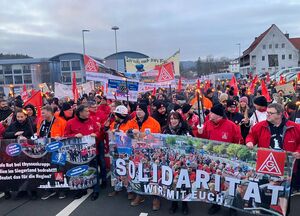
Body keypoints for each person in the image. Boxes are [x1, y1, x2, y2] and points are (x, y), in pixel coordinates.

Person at [196, 104, 243, 215]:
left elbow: (239, 141)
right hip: (214, 161)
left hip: (228, 162)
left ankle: (232, 207)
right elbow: (203, 141)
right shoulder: (207, 124)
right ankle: (215, 204)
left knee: (230, 185)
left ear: (218, 115)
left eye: (212, 112)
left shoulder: (231, 126)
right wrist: (200, 133)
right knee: (216, 183)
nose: (209, 114)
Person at [127, 102, 161, 208]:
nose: (138, 112)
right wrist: (131, 131)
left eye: (140, 110)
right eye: (137, 110)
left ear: (145, 111)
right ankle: (140, 195)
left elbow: (159, 137)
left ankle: (156, 198)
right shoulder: (132, 121)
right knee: (139, 175)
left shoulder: (153, 122)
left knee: (153, 176)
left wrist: (147, 137)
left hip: (151, 153)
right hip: (137, 154)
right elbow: (125, 132)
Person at [64, 105, 100, 200]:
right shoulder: (70, 122)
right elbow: (66, 135)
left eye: (88, 111)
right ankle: (81, 190)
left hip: (91, 152)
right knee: (80, 171)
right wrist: (74, 135)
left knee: (94, 169)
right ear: (80, 112)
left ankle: (96, 190)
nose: (89, 112)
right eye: (86, 111)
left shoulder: (91, 121)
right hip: (78, 153)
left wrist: (95, 134)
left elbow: (98, 131)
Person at [163, 111, 193, 215]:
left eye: (175, 118)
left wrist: (190, 140)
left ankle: (185, 204)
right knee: (173, 183)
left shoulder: (186, 130)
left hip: (183, 162)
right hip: (171, 161)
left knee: (184, 183)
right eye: (171, 119)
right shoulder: (166, 130)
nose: (173, 121)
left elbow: (194, 144)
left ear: (179, 119)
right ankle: (174, 203)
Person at [38, 105, 67, 200]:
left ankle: (60, 189)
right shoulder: (41, 122)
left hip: (59, 149)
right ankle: (51, 189)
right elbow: (39, 135)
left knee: (59, 169)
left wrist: (61, 137)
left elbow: (66, 135)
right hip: (46, 151)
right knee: (48, 169)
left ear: (50, 112)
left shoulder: (61, 122)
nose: (42, 114)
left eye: (43, 112)